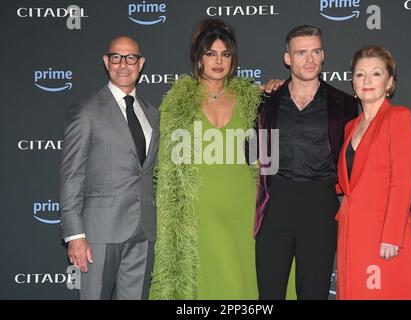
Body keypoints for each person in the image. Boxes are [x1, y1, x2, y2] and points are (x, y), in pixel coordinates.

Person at [150, 19, 262, 299]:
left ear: (233, 60)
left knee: (242, 285)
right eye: (211, 54)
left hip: (244, 208)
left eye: (225, 54)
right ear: (199, 59)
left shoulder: (253, 101)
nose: (218, 61)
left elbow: (266, 158)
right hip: (198, 212)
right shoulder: (178, 102)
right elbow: (167, 169)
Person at [254, 25, 359, 300]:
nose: (309, 59)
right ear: (287, 58)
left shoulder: (345, 104)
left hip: (320, 205)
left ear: (323, 55)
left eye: (315, 51)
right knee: (269, 293)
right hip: (275, 204)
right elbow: (249, 151)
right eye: (301, 52)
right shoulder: (265, 101)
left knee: (313, 293)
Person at [59, 36, 159, 299]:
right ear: (106, 62)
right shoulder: (86, 111)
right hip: (99, 233)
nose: (123, 64)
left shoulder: (152, 114)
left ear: (141, 63)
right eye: (116, 57)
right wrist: (74, 234)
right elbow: (71, 176)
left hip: (144, 229)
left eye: (131, 58)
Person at [335, 45, 411, 299]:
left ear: (390, 82)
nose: (367, 81)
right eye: (360, 74)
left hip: (384, 236)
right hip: (352, 234)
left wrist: (392, 237)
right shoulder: (351, 126)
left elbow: (403, 180)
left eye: (376, 73)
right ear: (353, 83)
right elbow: (348, 182)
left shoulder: (399, 117)